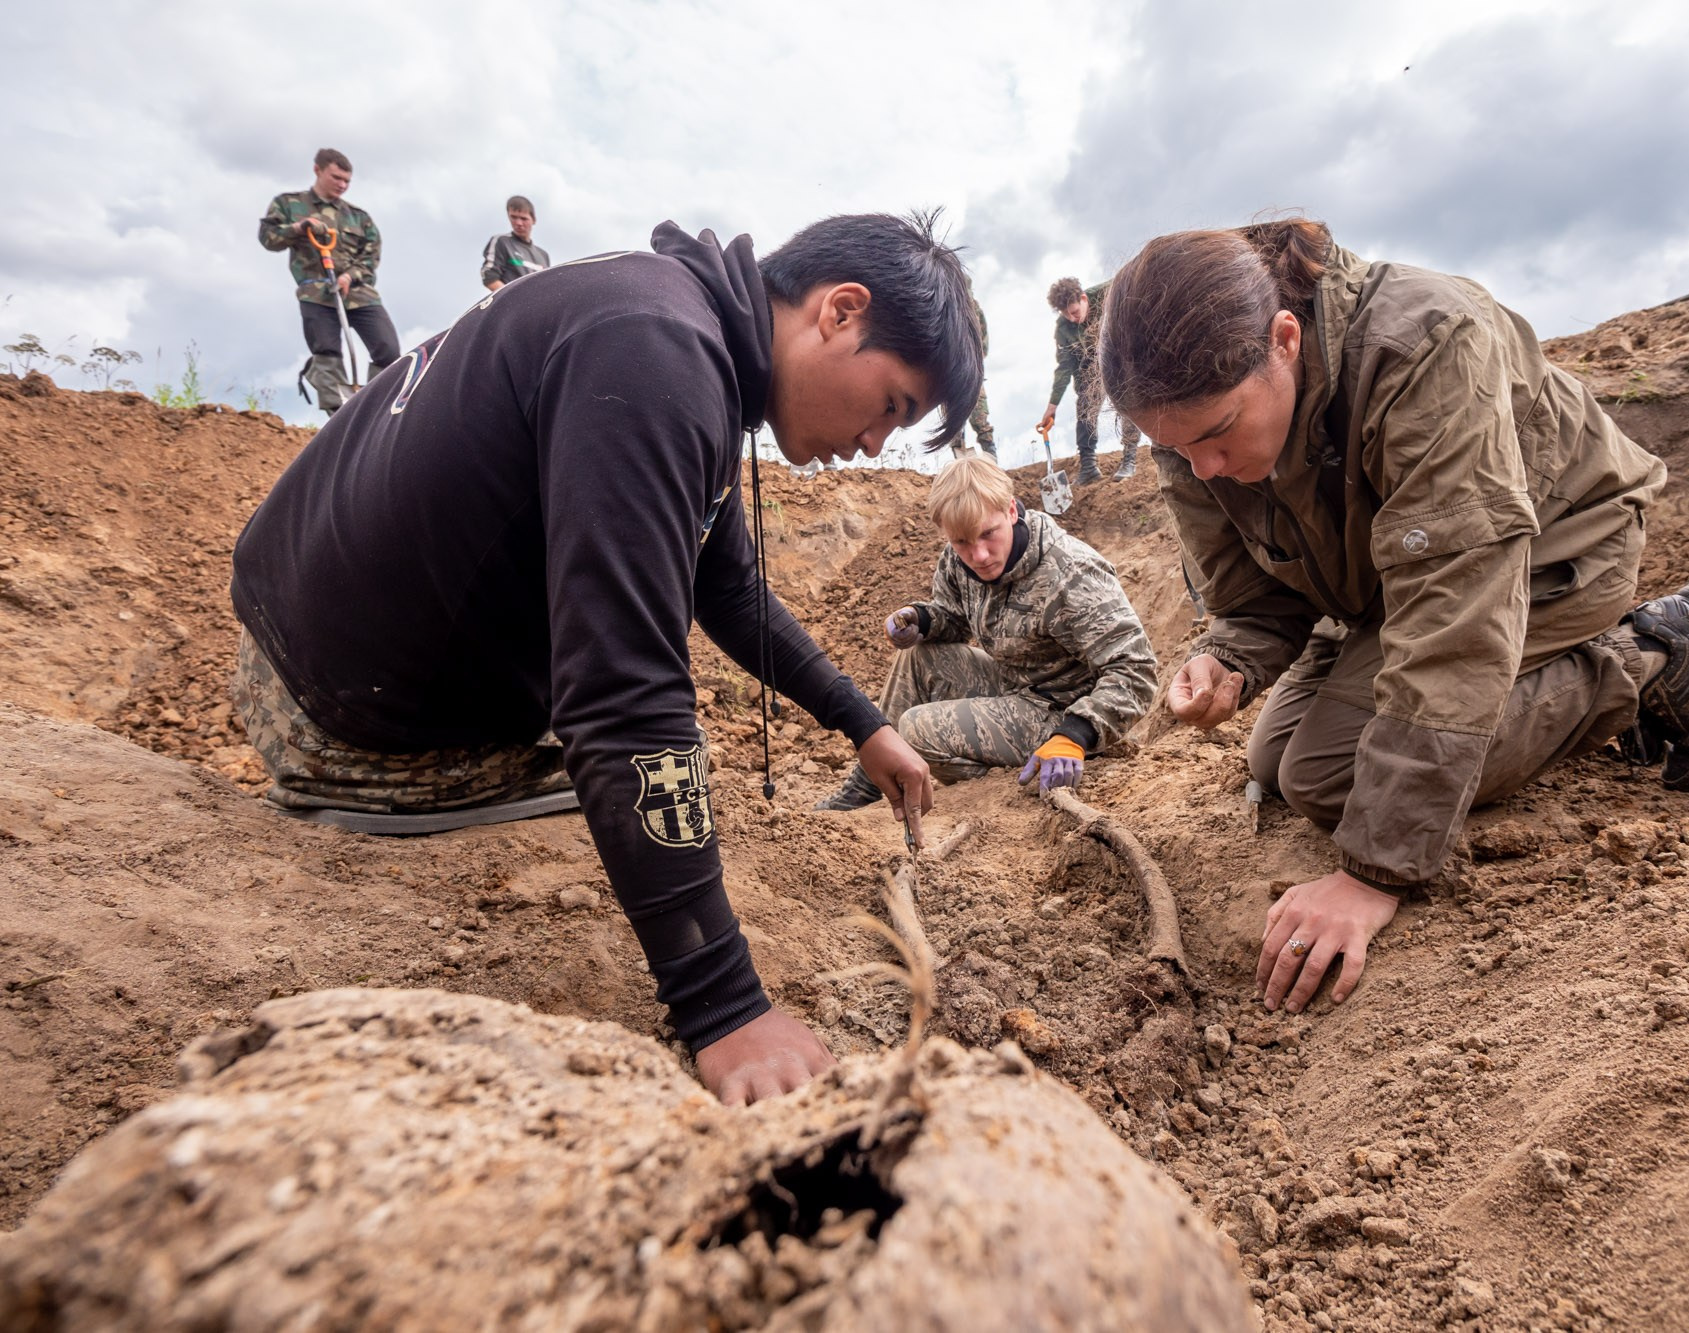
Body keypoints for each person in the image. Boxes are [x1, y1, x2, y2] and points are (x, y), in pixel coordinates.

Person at [230, 211, 984, 1105]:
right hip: (344, 708)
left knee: (652, 782)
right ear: (839, 312)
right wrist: (725, 1006)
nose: (872, 444)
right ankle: (359, 783)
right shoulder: (658, 351)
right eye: (891, 405)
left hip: (307, 635)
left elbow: (728, 587)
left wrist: (864, 724)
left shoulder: (673, 321)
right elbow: (622, 692)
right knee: (649, 776)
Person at [1098, 220, 1689, 1017]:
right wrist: (1228, 658)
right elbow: (1256, 598)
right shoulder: (1192, 422)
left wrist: (1373, 872)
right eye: (1174, 449)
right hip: (1393, 581)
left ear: (1283, 340)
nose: (1204, 468)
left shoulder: (1425, 345)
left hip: (1552, 544)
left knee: (1330, 776)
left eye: (1216, 436)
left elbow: (1455, 612)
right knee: (1278, 758)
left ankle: (1654, 652)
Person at [816, 453, 1157, 809]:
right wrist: (923, 620)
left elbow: (1135, 670)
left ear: (1011, 511)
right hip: (1018, 687)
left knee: (916, 729)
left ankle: (1012, 787)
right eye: (961, 542)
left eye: (988, 534)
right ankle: (867, 784)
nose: (978, 555)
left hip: (1067, 713)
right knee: (917, 656)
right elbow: (956, 618)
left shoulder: (1071, 574)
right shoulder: (958, 560)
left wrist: (1076, 734)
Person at [258, 148, 401, 415]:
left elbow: (371, 256)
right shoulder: (289, 204)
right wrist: (299, 228)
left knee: (388, 349)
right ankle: (339, 416)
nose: (342, 185)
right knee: (327, 352)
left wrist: (350, 276)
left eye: (347, 181)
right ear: (317, 170)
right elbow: (268, 238)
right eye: (336, 177)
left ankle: (377, 408)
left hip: (359, 293)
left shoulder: (358, 217)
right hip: (315, 292)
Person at [1036, 276, 1142, 484]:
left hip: (1118, 357)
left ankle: (1129, 459)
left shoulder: (1109, 293)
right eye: (1066, 314)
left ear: (1083, 298)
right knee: (1085, 408)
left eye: (1075, 312)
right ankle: (1088, 467)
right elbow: (1064, 368)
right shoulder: (1063, 329)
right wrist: (1052, 406)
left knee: (1126, 400)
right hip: (1088, 369)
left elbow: (1136, 278)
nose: (1073, 318)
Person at [953, 296, 997, 457]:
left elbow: (983, 339)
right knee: (954, 423)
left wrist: (975, 359)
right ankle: (961, 464)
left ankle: (992, 463)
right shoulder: (942, 303)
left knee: (980, 419)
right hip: (950, 373)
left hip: (971, 371)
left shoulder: (974, 306)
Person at [482, 195, 551, 290]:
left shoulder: (543, 255)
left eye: (523, 218)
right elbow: (489, 277)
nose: (518, 223)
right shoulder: (501, 242)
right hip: (512, 302)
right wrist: (513, 299)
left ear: (533, 220)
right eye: (514, 217)